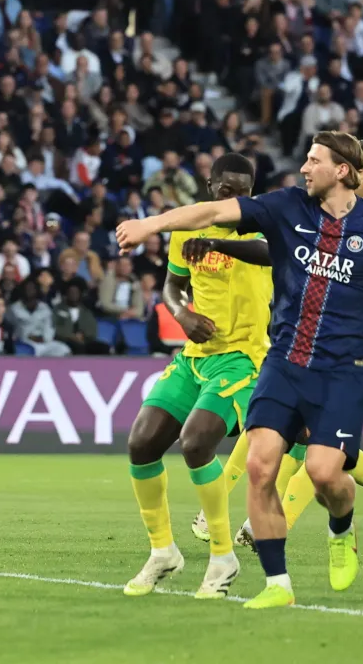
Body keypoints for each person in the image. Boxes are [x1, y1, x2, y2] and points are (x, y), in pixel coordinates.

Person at [115, 131, 363, 610]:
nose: (303, 168)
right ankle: (276, 584)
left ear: (343, 171)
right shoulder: (289, 206)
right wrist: (149, 225)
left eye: (314, 161)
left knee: (324, 470)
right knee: (259, 463)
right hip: (284, 359)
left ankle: (341, 528)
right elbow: (208, 214)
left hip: (342, 366)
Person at [190, 141, 363, 549]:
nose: (350, 174)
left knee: (313, 441)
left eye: (360, 169)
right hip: (305, 345)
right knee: (278, 428)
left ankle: (268, 525)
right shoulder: (320, 217)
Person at [122, 154, 271, 600]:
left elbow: (271, 252)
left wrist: (218, 245)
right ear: (209, 185)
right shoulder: (187, 225)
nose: (235, 198)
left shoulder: (260, 223)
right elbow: (173, 283)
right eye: (227, 190)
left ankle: (223, 557)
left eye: (243, 191)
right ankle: (163, 551)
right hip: (195, 355)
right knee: (142, 443)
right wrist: (181, 312)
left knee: (196, 442)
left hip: (243, 357)